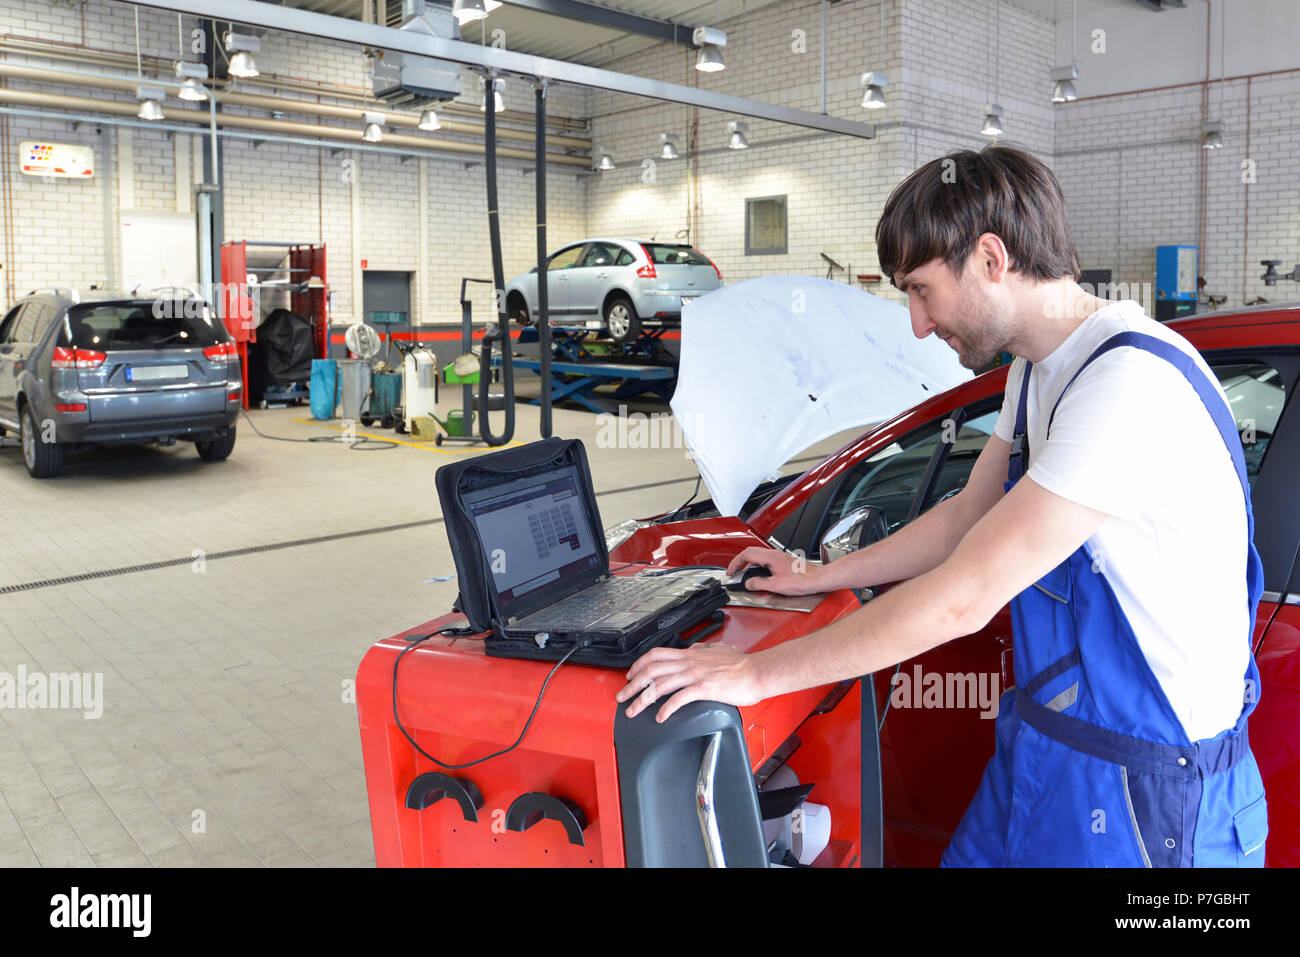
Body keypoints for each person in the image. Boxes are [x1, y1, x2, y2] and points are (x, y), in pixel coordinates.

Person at [616, 145, 1267, 867]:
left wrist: (754, 674)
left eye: (922, 290)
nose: (919, 325)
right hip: (1049, 752)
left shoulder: (1126, 384)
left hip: (1151, 797)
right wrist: (812, 574)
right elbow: (966, 519)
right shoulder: (1038, 368)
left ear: (992, 258)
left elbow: (965, 598)